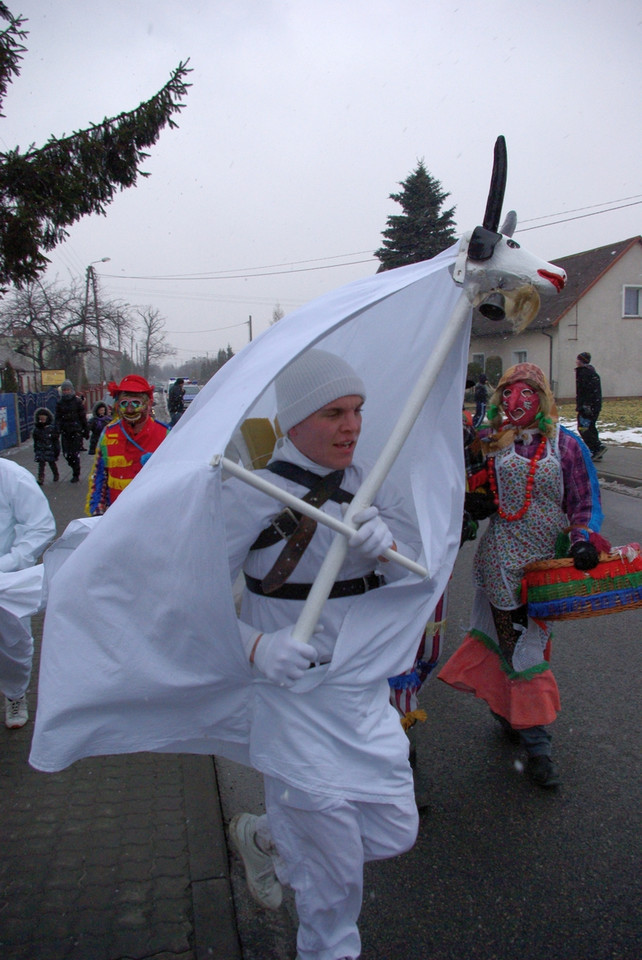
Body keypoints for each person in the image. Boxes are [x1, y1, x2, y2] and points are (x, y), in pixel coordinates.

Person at [224, 349, 421, 960]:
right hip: (290, 697)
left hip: (360, 689)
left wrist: (392, 551)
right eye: (334, 412)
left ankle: (267, 838)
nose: (352, 425)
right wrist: (254, 646)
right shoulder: (246, 492)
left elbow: (420, 583)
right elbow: (179, 599)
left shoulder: (372, 480)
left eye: (357, 409)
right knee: (331, 876)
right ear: (292, 422)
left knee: (394, 827)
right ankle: (326, 946)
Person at [439, 363, 607, 789]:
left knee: (533, 644)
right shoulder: (493, 443)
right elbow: (475, 491)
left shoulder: (566, 446)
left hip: (548, 566)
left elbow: (583, 500)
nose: (516, 399)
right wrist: (467, 514)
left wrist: (583, 538)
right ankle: (538, 746)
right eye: (509, 391)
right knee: (521, 649)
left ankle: (510, 709)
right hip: (502, 562)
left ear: (543, 396)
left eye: (527, 391)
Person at [0, 458, 56, 728]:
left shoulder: (11, 476)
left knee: (13, 644)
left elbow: (40, 526)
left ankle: (15, 693)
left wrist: (9, 563)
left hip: (5, 583)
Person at [86, 375, 169, 516]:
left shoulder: (165, 434)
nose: (129, 410)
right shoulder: (108, 434)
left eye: (135, 403)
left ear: (147, 404)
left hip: (154, 517)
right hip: (118, 517)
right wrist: (98, 512)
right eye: (124, 403)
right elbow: (100, 476)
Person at [55, 379, 88, 482]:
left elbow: (82, 416)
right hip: (65, 431)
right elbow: (58, 418)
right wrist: (57, 429)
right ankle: (73, 466)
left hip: (76, 431)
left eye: (68, 389)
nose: (66, 391)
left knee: (74, 454)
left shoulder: (77, 401)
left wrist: (85, 430)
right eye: (64, 390)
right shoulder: (60, 403)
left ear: (71, 390)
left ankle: (76, 473)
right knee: (66, 454)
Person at [575, 351, 605, 460]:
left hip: (587, 406)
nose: (576, 361)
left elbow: (586, 391)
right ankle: (595, 451)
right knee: (590, 427)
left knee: (583, 428)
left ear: (581, 361)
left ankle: (596, 447)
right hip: (593, 405)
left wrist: (586, 405)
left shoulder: (585, 373)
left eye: (578, 359)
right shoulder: (591, 372)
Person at [32, 407, 60, 485]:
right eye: (41, 418)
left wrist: (56, 450)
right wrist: (36, 448)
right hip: (41, 449)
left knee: (52, 463)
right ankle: (41, 478)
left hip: (50, 448)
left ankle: (56, 474)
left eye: (44, 417)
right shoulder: (37, 429)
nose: (42, 419)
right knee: (41, 464)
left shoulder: (51, 428)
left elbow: (55, 440)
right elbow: (35, 440)